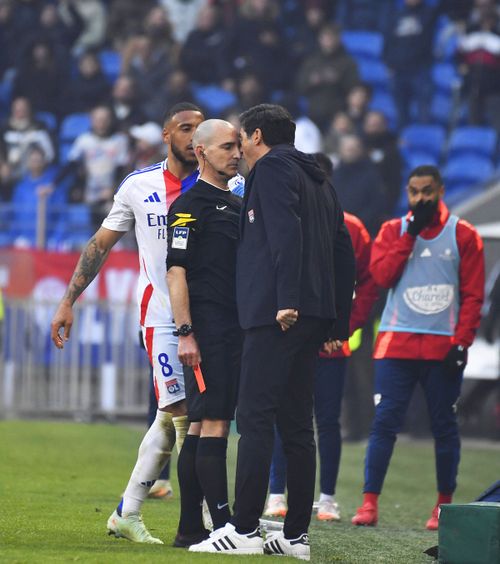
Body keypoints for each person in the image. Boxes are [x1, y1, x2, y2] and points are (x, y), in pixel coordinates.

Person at [189, 104, 356, 560]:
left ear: (257, 135)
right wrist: (336, 322)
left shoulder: (273, 170)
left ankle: (242, 530)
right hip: (316, 315)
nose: (239, 147)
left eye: (241, 137)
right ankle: (295, 537)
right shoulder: (320, 177)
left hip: (277, 315)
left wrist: (286, 299)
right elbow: (343, 249)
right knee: (298, 425)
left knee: (257, 418)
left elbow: (283, 234)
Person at [50, 102, 205, 544]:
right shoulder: (139, 186)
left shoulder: (225, 184)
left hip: (210, 317)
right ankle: (209, 516)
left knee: (177, 417)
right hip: (159, 317)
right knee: (183, 416)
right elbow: (99, 244)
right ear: (165, 135)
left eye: (199, 130)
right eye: (184, 129)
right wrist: (67, 301)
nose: (193, 138)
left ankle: (126, 512)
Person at [351, 165, 485, 530]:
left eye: (427, 191)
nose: (421, 198)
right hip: (397, 344)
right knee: (384, 425)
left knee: (444, 427)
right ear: (407, 193)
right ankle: (368, 504)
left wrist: (462, 342)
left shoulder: (465, 235)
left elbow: (473, 296)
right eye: (414, 191)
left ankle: (443, 507)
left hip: (443, 349)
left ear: (440, 190)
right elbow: (381, 278)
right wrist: (409, 235)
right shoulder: (394, 231)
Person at [264, 153, 379, 523]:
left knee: (327, 420)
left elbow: (368, 282)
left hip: (331, 343)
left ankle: (327, 498)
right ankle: (276, 493)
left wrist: (342, 328)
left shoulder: (353, 228)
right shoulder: (284, 220)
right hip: (290, 337)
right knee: (286, 416)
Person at [166, 119, 242, 546]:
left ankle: (189, 528)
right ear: (202, 152)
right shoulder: (190, 204)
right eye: (227, 147)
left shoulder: (233, 200)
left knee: (199, 426)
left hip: (231, 327)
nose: (235, 153)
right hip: (210, 330)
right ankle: (224, 524)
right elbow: (177, 272)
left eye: (237, 146)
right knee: (213, 422)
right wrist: (186, 332)